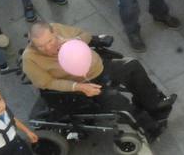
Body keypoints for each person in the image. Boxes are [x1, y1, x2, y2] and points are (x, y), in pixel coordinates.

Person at [22, 21, 175, 140]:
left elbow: (86, 35)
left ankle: (155, 105)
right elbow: (47, 83)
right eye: (41, 46)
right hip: (81, 86)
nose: (48, 48)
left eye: (50, 41)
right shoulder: (30, 58)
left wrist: (72, 41)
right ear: (32, 42)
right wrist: (78, 87)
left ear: (53, 32)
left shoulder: (57, 29)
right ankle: (150, 127)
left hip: (99, 67)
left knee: (132, 65)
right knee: (116, 100)